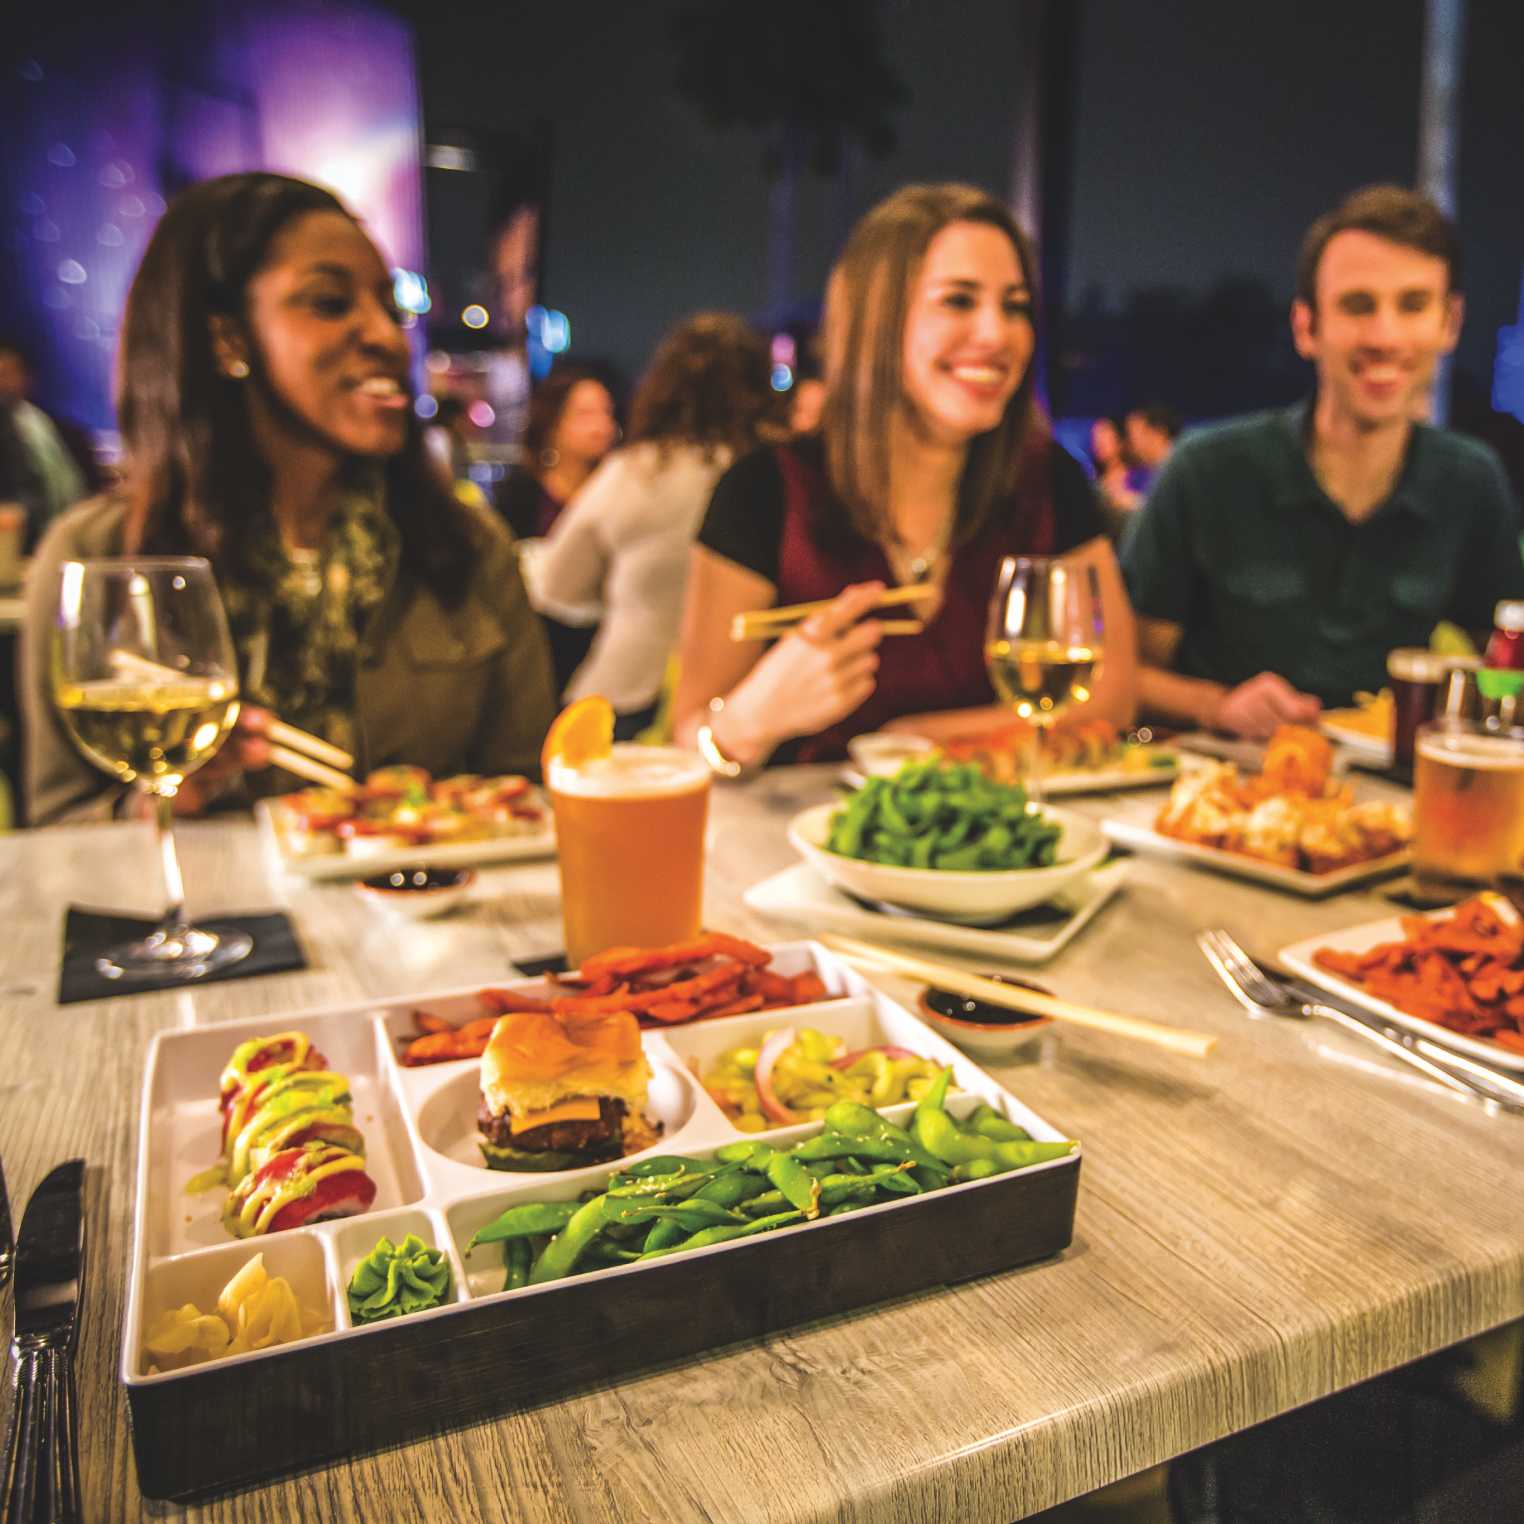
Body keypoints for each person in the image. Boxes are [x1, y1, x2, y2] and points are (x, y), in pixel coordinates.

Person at [22, 172, 555, 826]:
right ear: (228, 340)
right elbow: (55, 833)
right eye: (330, 303)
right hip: (215, 922)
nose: (387, 337)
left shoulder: (467, 548)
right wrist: (161, 802)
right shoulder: (100, 559)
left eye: (390, 308)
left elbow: (531, 789)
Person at [673, 182, 1135, 768]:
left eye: (1015, 305)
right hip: (798, 848)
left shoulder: (1047, 481)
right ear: (878, 320)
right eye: (959, 301)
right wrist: (750, 718)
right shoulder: (764, 491)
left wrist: (916, 740)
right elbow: (688, 739)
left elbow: (1112, 696)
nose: (998, 334)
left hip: (1002, 843)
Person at [1122, 184, 1524, 740]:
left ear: (1449, 323)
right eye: (1358, 306)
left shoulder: (1470, 480)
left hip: (1389, 796)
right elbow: (1120, 674)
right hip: (1214, 788)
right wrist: (1218, 705)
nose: (1385, 337)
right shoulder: (1207, 469)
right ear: (1306, 327)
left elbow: (1509, 665)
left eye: (1412, 305)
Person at [526, 313, 786, 739]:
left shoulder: (634, 471)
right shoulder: (776, 478)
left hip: (625, 697)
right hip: (749, 709)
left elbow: (559, 585)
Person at [495, 365, 618, 541]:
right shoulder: (521, 490)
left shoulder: (615, 486)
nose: (601, 427)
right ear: (553, 423)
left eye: (607, 412)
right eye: (585, 414)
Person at [0, 338, 101, 550]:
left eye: (6, 374)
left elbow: (93, 488)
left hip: (74, 540)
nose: (3, 383)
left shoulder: (60, 429)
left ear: (26, 377)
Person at [1089, 415, 1140, 529]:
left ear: (1120, 440)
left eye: (1105, 435)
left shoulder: (1139, 477)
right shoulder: (1094, 482)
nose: (1098, 442)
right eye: (1095, 437)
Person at [1122, 402, 1180, 495]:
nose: (1131, 440)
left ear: (1159, 433)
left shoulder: (1182, 473)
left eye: (1136, 432)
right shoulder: (1138, 477)